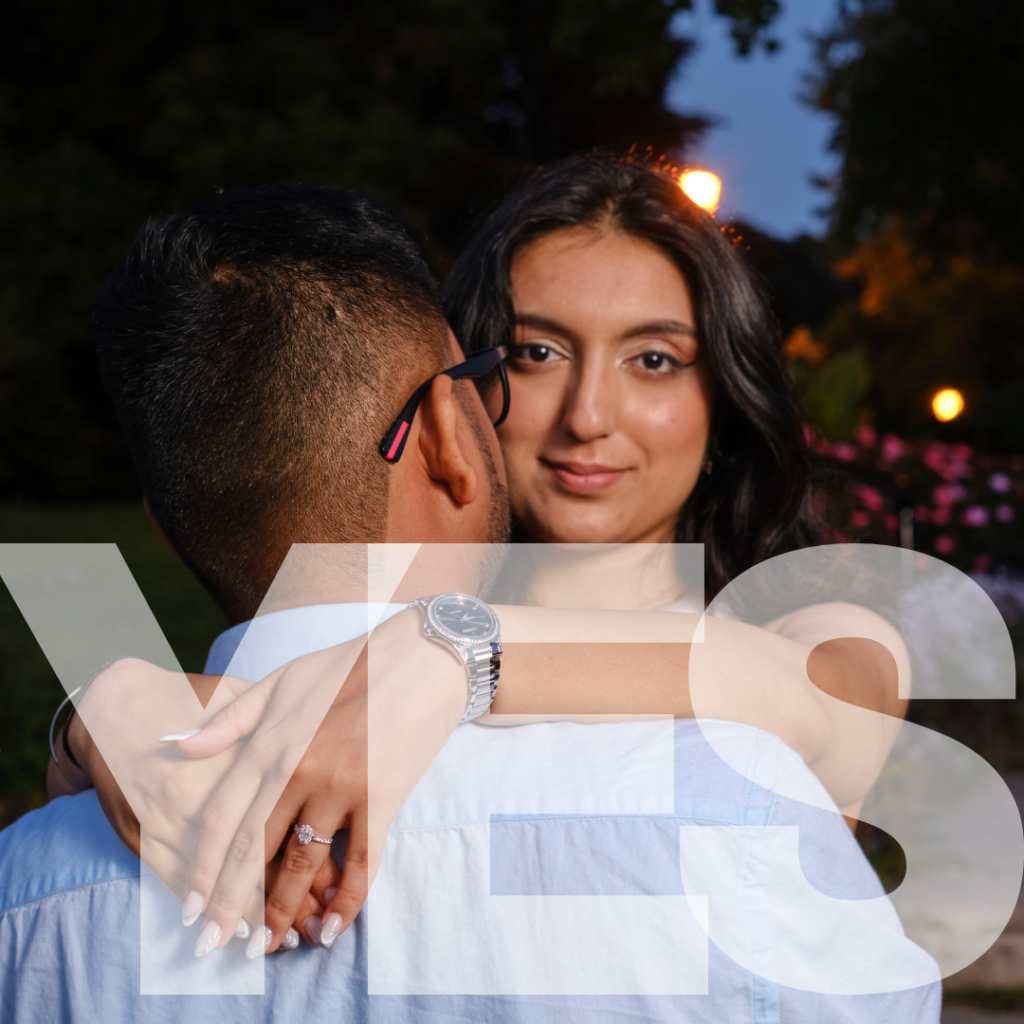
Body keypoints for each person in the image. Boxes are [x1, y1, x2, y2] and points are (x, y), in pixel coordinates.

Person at [1, 176, 939, 1022]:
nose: (587, 416)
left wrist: (454, 650)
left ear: (724, 398)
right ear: (461, 399)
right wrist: (95, 714)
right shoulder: (359, 662)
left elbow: (811, 696)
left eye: (653, 359)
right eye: (536, 352)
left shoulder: (813, 626)